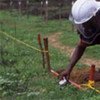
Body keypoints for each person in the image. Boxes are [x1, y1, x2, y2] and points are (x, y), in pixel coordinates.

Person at [60, 0, 100, 82]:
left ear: (96, 17)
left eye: (88, 24)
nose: (85, 28)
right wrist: (69, 69)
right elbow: (81, 46)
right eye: (83, 25)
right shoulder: (93, 26)